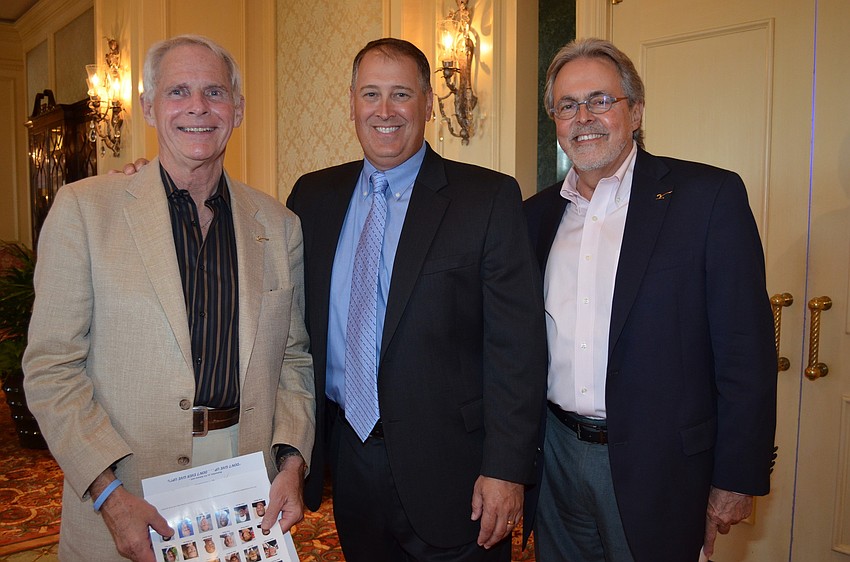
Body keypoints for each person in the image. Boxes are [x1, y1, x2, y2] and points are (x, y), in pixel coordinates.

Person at [22, 34, 315, 562]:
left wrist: (292, 465)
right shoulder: (85, 211)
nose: (198, 107)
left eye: (215, 93)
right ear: (148, 108)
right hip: (126, 485)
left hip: (246, 488)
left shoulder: (279, 224)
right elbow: (51, 369)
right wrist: (110, 497)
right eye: (178, 91)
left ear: (238, 110)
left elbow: (293, 359)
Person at [286, 38, 547, 562]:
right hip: (350, 459)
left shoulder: (487, 199)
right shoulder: (311, 198)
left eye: (401, 94)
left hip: (457, 470)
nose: (384, 111)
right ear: (352, 103)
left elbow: (516, 348)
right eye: (371, 94)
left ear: (428, 103)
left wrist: (506, 468)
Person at [523, 38, 777, 561]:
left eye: (600, 100)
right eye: (567, 105)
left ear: (635, 111)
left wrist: (736, 475)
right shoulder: (534, 216)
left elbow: (745, 350)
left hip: (663, 469)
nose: (583, 117)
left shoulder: (708, 199)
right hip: (554, 460)